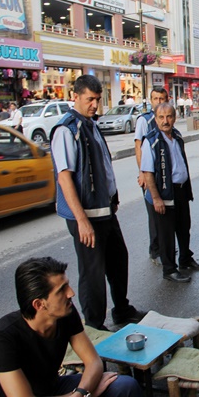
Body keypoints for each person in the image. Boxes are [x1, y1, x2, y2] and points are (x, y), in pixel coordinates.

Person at [50, 75, 143, 330]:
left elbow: (102, 166)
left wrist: (112, 200)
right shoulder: (66, 129)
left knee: (117, 259)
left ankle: (122, 310)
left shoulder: (90, 125)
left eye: (98, 99)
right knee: (93, 273)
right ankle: (93, 326)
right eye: (90, 99)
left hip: (104, 212)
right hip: (86, 216)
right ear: (76, 97)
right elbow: (64, 178)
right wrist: (81, 220)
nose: (94, 104)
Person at [0, 257, 142, 397]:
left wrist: (82, 392)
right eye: (61, 290)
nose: (71, 293)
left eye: (68, 285)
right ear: (39, 304)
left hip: (53, 389)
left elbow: (93, 362)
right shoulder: (2, 338)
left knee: (124, 386)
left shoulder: (66, 313)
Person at [141, 103, 199, 283]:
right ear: (155, 119)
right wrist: (156, 198)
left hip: (181, 191)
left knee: (184, 228)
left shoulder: (177, 136)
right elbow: (148, 173)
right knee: (166, 234)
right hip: (165, 194)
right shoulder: (151, 140)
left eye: (169, 117)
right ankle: (169, 269)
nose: (165, 121)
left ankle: (185, 259)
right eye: (161, 117)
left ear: (174, 118)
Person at [133, 87, 169, 265]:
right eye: (156, 98)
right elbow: (138, 146)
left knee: (165, 214)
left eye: (162, 98)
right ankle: (156, 250)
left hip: (164, 173)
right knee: (154, 213)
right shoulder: (145, 120)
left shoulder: (167, 118)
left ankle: (165, 246)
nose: (159, 101)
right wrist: (142, 172)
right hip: (150, 174)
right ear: (150, 100)